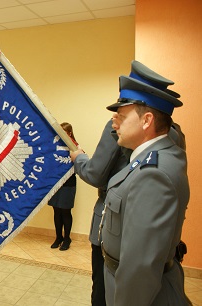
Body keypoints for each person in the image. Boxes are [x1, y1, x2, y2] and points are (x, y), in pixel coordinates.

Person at [70, 60, 186, 306]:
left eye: (121, 116)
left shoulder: (154, 174)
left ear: (146, 121)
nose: (114, 123)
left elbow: (140, 269)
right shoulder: (156, 153)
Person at [48, 122, 77, 251]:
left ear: (69, 134)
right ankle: (58, 237)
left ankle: (67, 238)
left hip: (68, 184)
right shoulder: (55, 146)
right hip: (55, 184)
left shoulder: (75, 147)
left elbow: (81, 163)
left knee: (65, 211)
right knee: (56, 211)